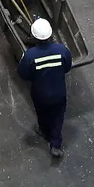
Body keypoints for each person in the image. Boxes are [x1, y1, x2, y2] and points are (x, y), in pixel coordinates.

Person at [17, 17, 72, 157]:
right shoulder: (62, 50)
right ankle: (56, 144)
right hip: (59, 93)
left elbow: (23, 74)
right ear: (50, 34)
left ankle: (43, 130)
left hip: (40, 94)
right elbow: (67, 67)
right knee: (58, 116)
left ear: (33, 37)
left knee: (42, 113)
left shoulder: (30, 56)